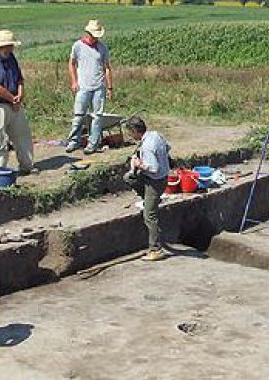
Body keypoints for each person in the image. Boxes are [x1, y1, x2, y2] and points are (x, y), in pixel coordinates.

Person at [0, 30, 34, 178]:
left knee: (22, 135)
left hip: (14, 104)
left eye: (11, 46)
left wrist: (20, 95)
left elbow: (19, 79)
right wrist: (12, 99)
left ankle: (27, 165)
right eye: (8, 46)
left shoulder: (11, 58)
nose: (11, 49)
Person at [123, 117, 170, 262]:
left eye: (130, 132)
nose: (130, 135)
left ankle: (156, 249)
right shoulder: (156, 135)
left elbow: (154, 169)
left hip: (155, 181)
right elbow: (168, 147)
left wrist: (139, 164)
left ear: (135, 131)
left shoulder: (147, 146)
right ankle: (150, 199)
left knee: (149, 215)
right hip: (162, 177)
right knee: (129, 177)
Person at [66, 20, 113, 155]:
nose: (95, 38)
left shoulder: (102, 48)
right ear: (87, 33)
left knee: (97, 117)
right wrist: (74, 81)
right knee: (78, 116)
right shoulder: (78, 46)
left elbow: (107, 68)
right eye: (94, 35)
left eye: (97, 36)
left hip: (99, 87)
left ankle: (93, 143)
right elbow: (72, 64)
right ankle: (74, 141)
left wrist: (110, 87)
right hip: (83, 86)